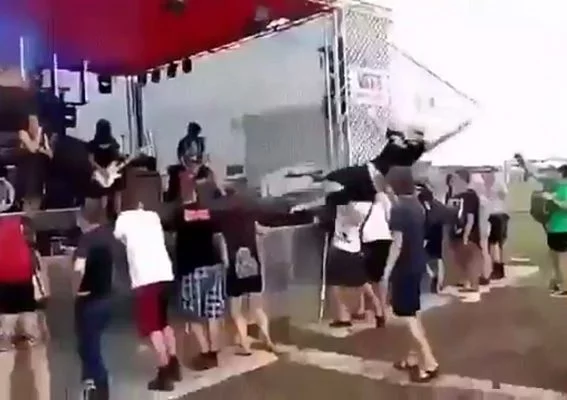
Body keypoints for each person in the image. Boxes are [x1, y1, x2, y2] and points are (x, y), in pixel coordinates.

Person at [113, 193, 179, 391]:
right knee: (164, 322)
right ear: (140, 203)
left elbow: (119, 238)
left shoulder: (123, 219)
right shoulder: (153, 215)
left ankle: (164, 374)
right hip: (165, 274)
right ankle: (174, 364)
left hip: (145, 278)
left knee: (152, 327)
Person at [384, 166, 439, 383]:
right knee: (413, 313)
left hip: (404, 268)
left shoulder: (399, 209)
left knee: (407, 317)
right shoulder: (417, 205)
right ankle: (412, 357)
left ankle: (429, 361)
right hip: (417, 264)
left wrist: (387, 270)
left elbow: (397, 243)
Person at [172, 179, 228, 370]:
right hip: (214, 267)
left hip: (192, 270)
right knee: (213, 312)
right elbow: (218, 236)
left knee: (193, 315)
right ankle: (213, 354)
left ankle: (205, 353)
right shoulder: (209, 212)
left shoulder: (179, 214)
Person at [215, 202, 277, 355]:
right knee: (257, 308)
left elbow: (222, 246)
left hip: (235, 268)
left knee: (236, 311)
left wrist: (225, 263)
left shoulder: (223, 220)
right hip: (252, 266)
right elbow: (264, 231)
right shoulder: (250, 217)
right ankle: (268, 339)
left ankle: (245, 344)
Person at [73, 200, 116, 399]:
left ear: (85, 218)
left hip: (88, 300)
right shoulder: (108, 235)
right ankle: (94, 386)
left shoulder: (87, 240)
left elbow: (78, 270)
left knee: (89, 348)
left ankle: (98, 388)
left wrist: (74, 290)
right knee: (92, 344)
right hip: (106, 298)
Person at [516, 154, 567, 296]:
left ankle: (564, 286)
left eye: (558, 173)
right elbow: (535, 174)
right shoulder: (557, 187)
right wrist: (523, 164)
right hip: (554, 228)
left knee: (562, 258)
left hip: (562, 229)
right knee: (554, 257)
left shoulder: (562, 189)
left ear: (563, 175)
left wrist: (552, 199)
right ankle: (558, 281)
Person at [325, 199, 371, 328]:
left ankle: (343, 317)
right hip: (358, 246)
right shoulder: (367, 204)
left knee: (336, 283)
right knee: (358, 281)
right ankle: (360, 311)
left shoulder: (345, 205)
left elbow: (330, 219)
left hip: (342, 246)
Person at [353, 189, 391, 327]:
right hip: (385, 237)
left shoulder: (357, 203)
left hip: (368, 239)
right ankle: (382, 308)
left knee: (362, 275)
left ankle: (371, 309)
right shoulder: (382, 198)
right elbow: (389, 216)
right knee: (379, 277)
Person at [446, 169, 483, 302]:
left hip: (468, 234)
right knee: (460, 258)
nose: (453, 181)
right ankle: (466, 281)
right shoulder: (452, 195)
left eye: (456, 179)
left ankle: (473, 284)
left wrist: (466, 234)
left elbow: (470, 217)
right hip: (455, 233)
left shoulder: (470, 196)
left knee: (470, 258)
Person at [86, 119, 124, 218]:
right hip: (111, 173)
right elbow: (116, 159)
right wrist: (108, 171)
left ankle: (102, 216)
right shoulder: (114, 143)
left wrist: (101, 170)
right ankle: (118, 213)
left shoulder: (92, 145)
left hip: (99, 173)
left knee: (103, 193)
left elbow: (91, 161)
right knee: (117, 191)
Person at [18, 114, 52, 211]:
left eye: (36, 124)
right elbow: (32, 148)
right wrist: (38, 138)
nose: (35, 126)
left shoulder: (43, 137)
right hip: (26, 171)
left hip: (38, 175)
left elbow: (50, 155)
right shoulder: (22, 134)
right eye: (32, 123)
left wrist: (44, 148)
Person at [483, 170, 509, 280]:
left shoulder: (498, 183)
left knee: (496, 243)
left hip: (497, 214)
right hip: (491, 215)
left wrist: (492, 190)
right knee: (492, 243)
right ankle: (496, 267)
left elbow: (504, 195)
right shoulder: (483, 184)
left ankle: (498, 268)